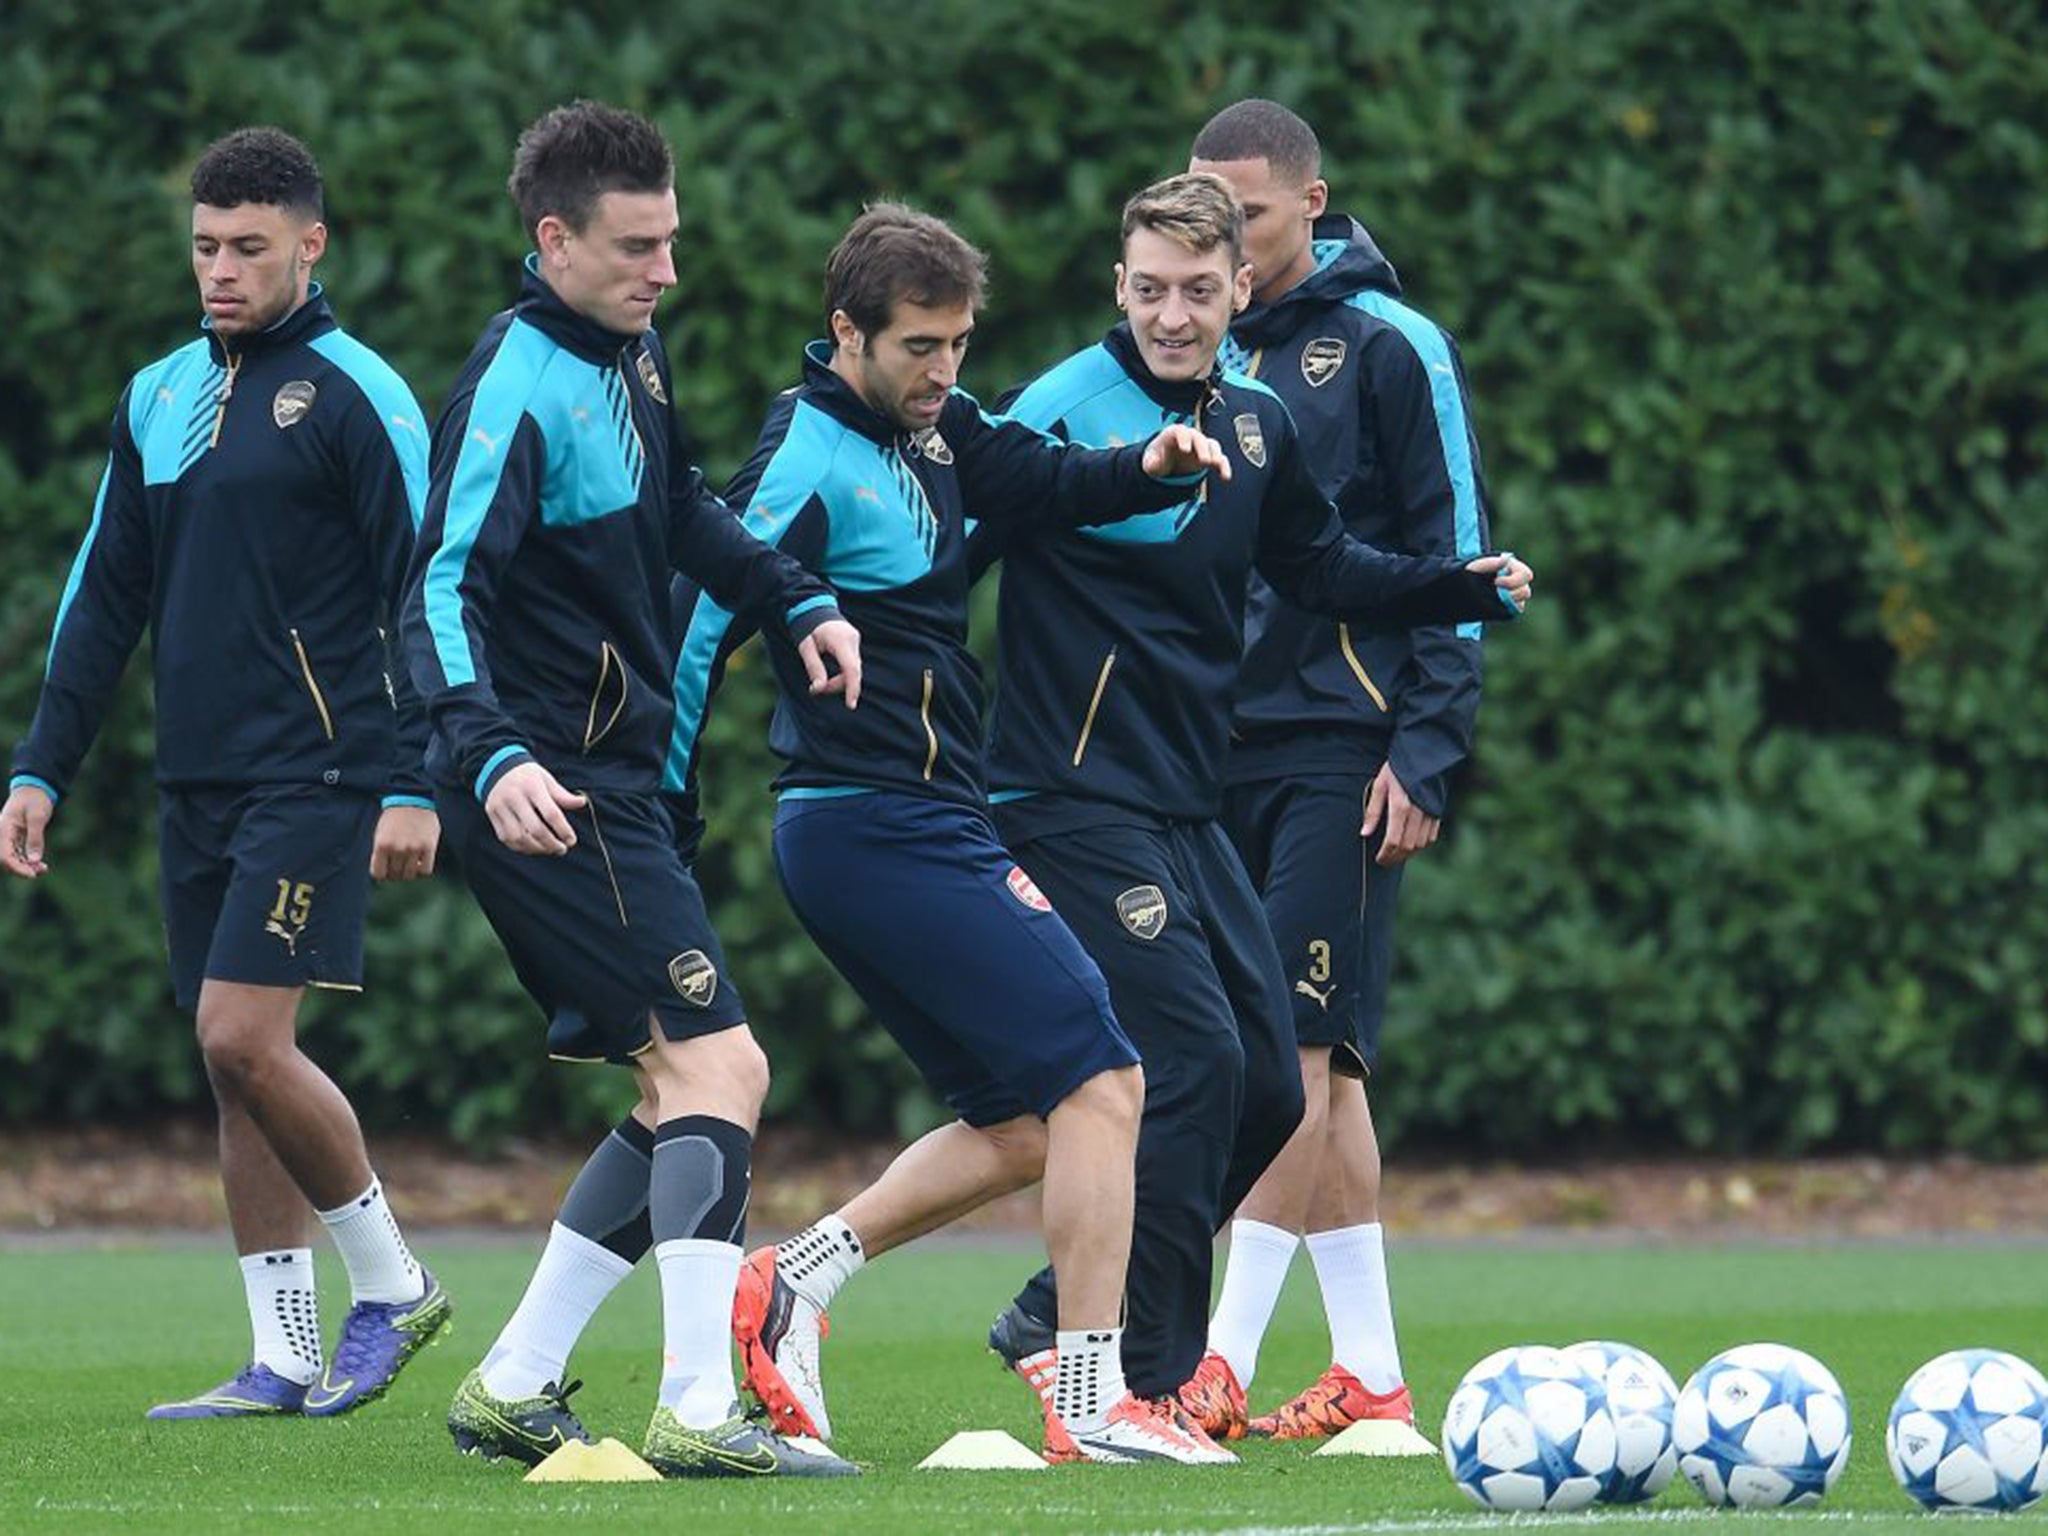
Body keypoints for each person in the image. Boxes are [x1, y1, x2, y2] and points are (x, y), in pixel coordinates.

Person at [972, 172, 1531, 1453]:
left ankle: (1068, 1328)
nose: (1174, 316)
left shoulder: (1261, 419)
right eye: (1150, 290)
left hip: (1182, 800)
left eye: (1199, 292)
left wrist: (1455, 585)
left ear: (1241, 291)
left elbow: (1319, 567)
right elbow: (949, 551)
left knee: (1267, 1089)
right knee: (1188, 1066)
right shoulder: (1058, 409)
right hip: (1066, 794)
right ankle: (1111, 1385)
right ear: (1118, 286)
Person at [698, 202, 1238, 1465]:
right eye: (919, 348)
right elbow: (696, 613)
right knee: (1109, 1078)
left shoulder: (942, 431)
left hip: (925, 819)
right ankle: (1099, 1400)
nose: (944, 372)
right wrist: (652, 798)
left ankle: (793, 1276)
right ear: (846, 334)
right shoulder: (806, 453)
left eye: (957, 344)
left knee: (1033, 1123)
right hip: (868, 825)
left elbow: (1045, 483)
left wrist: (1146, 466)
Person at [403, 100, 862, 1480]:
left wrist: (797, 601)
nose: (668, 270)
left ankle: (515, 1379)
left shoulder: (630, 353)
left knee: (677, 1096)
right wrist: (491, 756)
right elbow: (432, 587)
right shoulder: (516, 384)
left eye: (671, 241)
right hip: (552, 786)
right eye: (638, 246)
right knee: (722, 1064)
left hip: (604, 781)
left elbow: (681, 511)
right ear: (554, 238)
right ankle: (698, 1406)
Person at [0, 127, 447, 1419]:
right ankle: (284, 1355)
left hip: (316, 773)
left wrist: (415, 778)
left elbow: (423, 593)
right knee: (235, 1064)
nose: (222, 270)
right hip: (195, 779)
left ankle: (396, 1284)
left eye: (250, 248)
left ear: (311, 245)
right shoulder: (156, 395)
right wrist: (43, 767)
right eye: (205, 247)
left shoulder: (362, 394)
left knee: (237, 1032)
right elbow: (101, 596)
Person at [1179, 98, 1493, 1441]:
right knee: (1333, 1070)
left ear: (1312, 203)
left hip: (1342, 749)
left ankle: (1222, 1363)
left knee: (1288, 1055)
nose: (1223, 238)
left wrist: (1424, 750)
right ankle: (1368, 1372)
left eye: (1242, 214)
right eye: (1202, 212)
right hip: (1214, 749)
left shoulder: (1392, 346)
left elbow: (1456, 554)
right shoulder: (1195, 351)